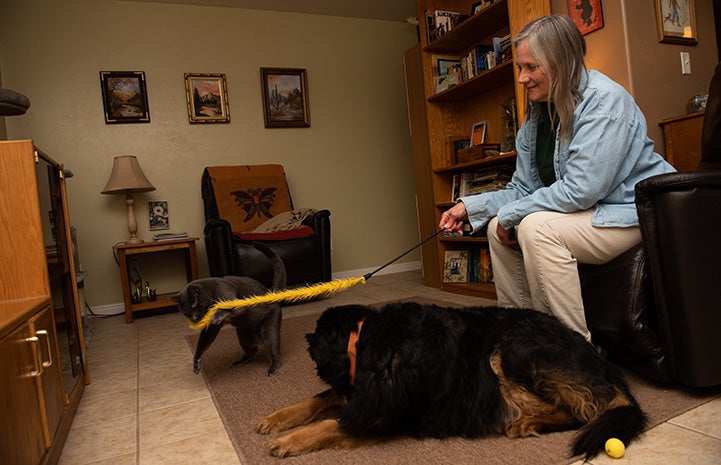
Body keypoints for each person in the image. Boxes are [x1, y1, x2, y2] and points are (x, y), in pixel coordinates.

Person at [438, 14, 675, 343]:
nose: (522, 78)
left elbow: (582, 190)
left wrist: (512, 214)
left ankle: (572, 351)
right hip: (589, 214)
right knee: (495, 228)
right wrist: (470, 206)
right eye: (520, 67)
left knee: (537, 228)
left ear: (561, 62)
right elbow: (523, 189)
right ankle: (520, 339)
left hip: (629, 212)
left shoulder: (605, 101)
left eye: (530, 67)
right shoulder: (537, 116)